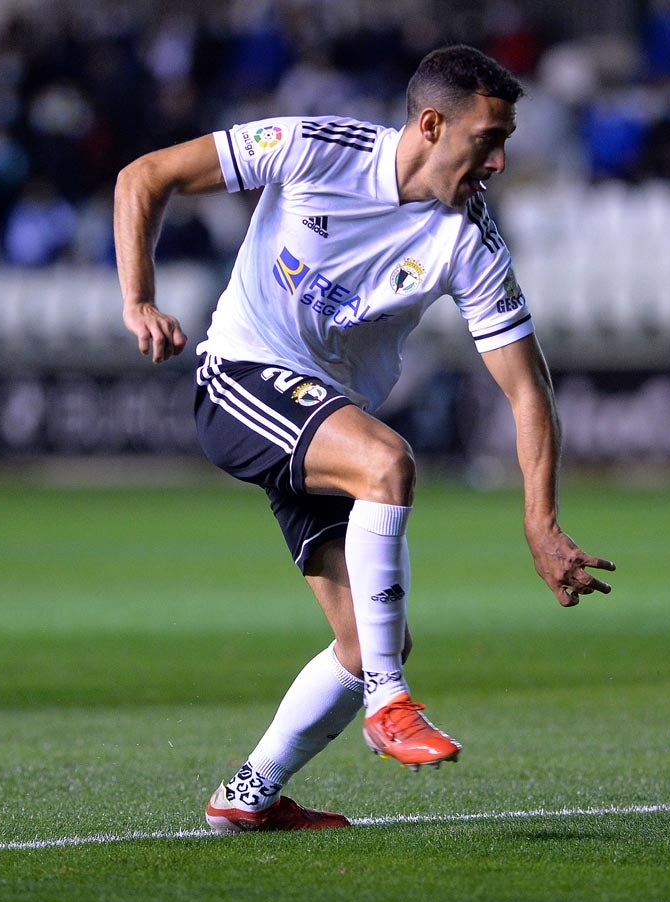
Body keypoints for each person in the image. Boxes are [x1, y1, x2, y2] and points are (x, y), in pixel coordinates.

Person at [114, 45, 615, 833]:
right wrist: (139, 299)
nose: (500, 161)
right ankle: (390, 701)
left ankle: (248, 795)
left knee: (369, 635)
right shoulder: (315, 148)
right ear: (429, 123)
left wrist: (539, 521)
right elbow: (144, 175)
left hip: (318, 419)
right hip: (240, 376)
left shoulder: (468, 240)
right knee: (386, 462)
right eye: (487, 139)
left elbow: (528, 389)